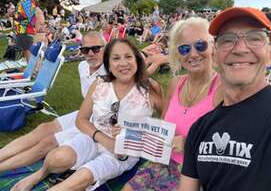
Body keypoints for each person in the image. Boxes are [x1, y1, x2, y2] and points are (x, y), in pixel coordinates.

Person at [12, 38, 163, 191]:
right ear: (108, 64)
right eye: (116, 58)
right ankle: (40, 173)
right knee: (57, 158)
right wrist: (104, 139)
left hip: (123, 151)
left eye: (128, 56)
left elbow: (167, 124)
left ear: (137, 59)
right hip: (94, 137)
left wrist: (135, 135)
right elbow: (81, 120)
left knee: (82, 177)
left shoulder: (150, 87)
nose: (123, 63)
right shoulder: (100, 84)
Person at [179, 7, 271, 191]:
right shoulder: (199, 129)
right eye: (228, 40)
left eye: (255, 38)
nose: (241, 48)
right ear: (215, 56)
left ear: (270, 55)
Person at [121, 17, 222, 191]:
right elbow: (162, 127)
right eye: (184, 48)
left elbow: (227, 147)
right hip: (162, 161)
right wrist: (130, 133)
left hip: (196, 173)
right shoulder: (176, 83)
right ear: (177, 53)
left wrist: (190, 144)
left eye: (200, 45)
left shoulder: (223, 89)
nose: (193, 54)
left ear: (213, 46)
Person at [0, 31, 107, 173]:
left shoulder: (113, 70)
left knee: (47, 142)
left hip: (101, 121)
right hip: (84, 112)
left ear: (106, 48)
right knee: (43, 128)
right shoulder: (82, 66)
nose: (91, 53)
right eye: (85, 49)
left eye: (96, 48)